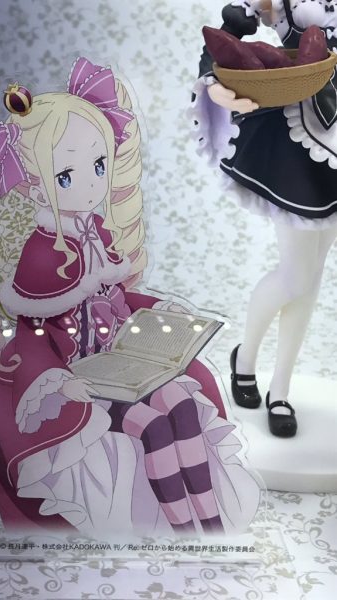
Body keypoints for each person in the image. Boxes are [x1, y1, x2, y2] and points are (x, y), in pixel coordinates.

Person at [0, 57, 260, 534]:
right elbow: (33, 334)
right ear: (36, 189)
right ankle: (179, 527)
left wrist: (161, 312)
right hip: (79, 374)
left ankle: (209, 523)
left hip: (119, 361)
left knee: (181, 404)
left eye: (99, 166)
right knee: (153, 426)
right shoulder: (40, 254)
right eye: (67, 177)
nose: (94, 185)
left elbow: (117, 300)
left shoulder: (97, 232)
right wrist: (54, 379)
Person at [192, 0, 337, 437]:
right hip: (298, 138)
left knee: (311, 277)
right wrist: (214, 85)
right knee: (296, 277)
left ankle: (281, 388)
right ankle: (247, 357)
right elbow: (226, 37)